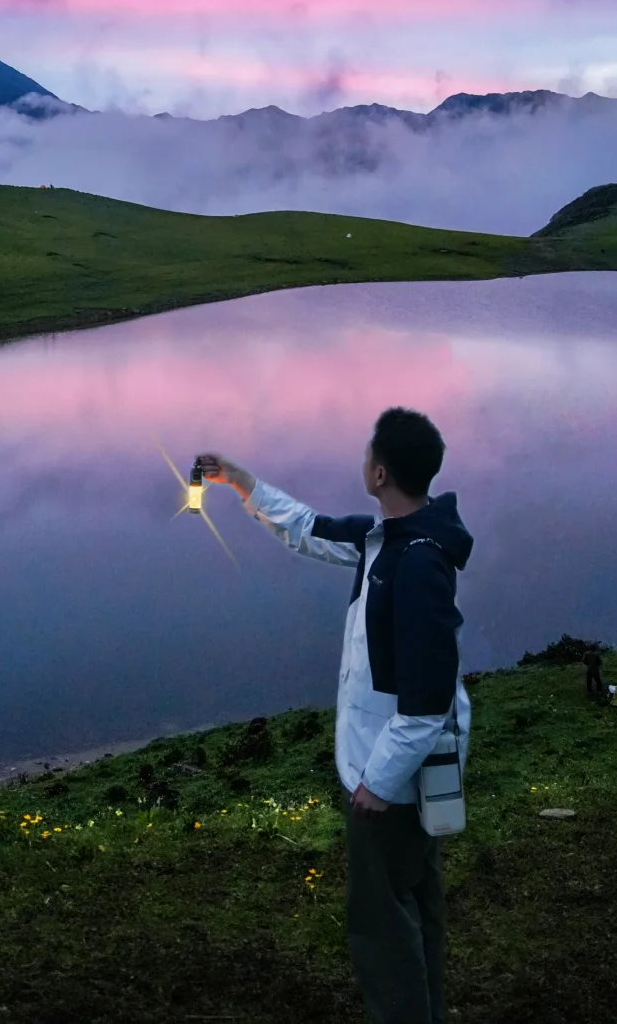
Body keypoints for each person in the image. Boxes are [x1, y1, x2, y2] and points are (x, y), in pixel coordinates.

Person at [197, 406, 473, 1024]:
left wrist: (378, 782)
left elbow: (427, 700)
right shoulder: (389, 539)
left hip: (391, 781)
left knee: (381, 922)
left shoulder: (419, 564)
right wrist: (243, 483)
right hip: (398, 774)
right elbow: (308, 528)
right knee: (416, 898)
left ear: (378, 472)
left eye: (366, 453)